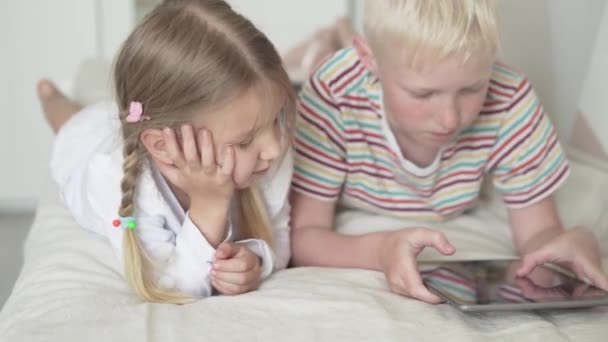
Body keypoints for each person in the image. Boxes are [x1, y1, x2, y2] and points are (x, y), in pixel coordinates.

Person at [289, 0, 608, 304]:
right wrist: (381, 250)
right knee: (304, 63)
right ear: (369, 59)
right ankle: (328, 39)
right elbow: (304, 236)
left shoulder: (511, 99)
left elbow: (538, 234)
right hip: (340, 76)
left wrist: (569, 243)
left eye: (471, 89)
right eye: (423, 93)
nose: (450, 118)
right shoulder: (333, 92)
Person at [41, 0, 295, 304]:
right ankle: (50, 96)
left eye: (276, 118)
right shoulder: (112, 181)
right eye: (245, 141)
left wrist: (256, 258)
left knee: (105, 110)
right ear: (164, 147)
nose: (274, 147)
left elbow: (280, 238)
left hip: (146, 123)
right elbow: (170, 285)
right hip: (83, 148)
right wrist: (208, 205)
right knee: (73, 122)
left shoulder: (263, 155)